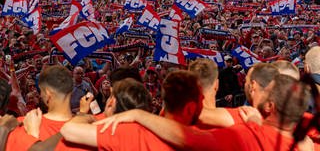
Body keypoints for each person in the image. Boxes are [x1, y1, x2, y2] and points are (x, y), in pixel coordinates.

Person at [93, 74, 313, 151]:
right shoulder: (307, 144)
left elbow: (189, 139)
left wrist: (139, 115)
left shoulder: (246, 135)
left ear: (269, 107)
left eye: (267, 91)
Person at [60, 70, 203, 150]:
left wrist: (85, 114)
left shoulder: (118, 131)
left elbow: (68, 130)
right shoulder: (168, 133)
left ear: (112, 101)